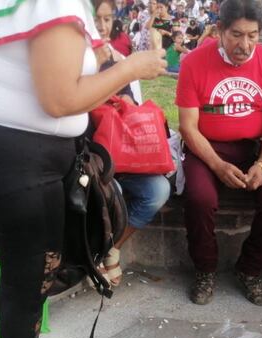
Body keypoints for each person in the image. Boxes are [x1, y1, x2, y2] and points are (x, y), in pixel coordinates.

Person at [0, 0, 166, 338]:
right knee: (29, 277)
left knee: (23, 274)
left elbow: (18, 68)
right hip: (19, 158)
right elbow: (60, 98)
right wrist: (133, 68)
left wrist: (99, 62)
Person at [176, 0, 262, 306]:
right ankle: (205, 269)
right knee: (200, 199)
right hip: (206, 147)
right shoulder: (194, 62)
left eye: (253, 35)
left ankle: (250, 270)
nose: (245, 44)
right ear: (220, 30)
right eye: (237, 34)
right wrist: (217, 165)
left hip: (254, 149)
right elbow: (188, 126)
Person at [94, 0, 167, 286]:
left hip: (120, 153)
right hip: (88, 157)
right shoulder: (75, 60)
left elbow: (129, 102)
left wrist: (126, 102)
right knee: (113, 192)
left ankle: (110, 250)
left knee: (157, 189)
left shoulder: (116, 59)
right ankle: (92, 255)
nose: (102, 26)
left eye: (107, 18)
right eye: (96, 19)